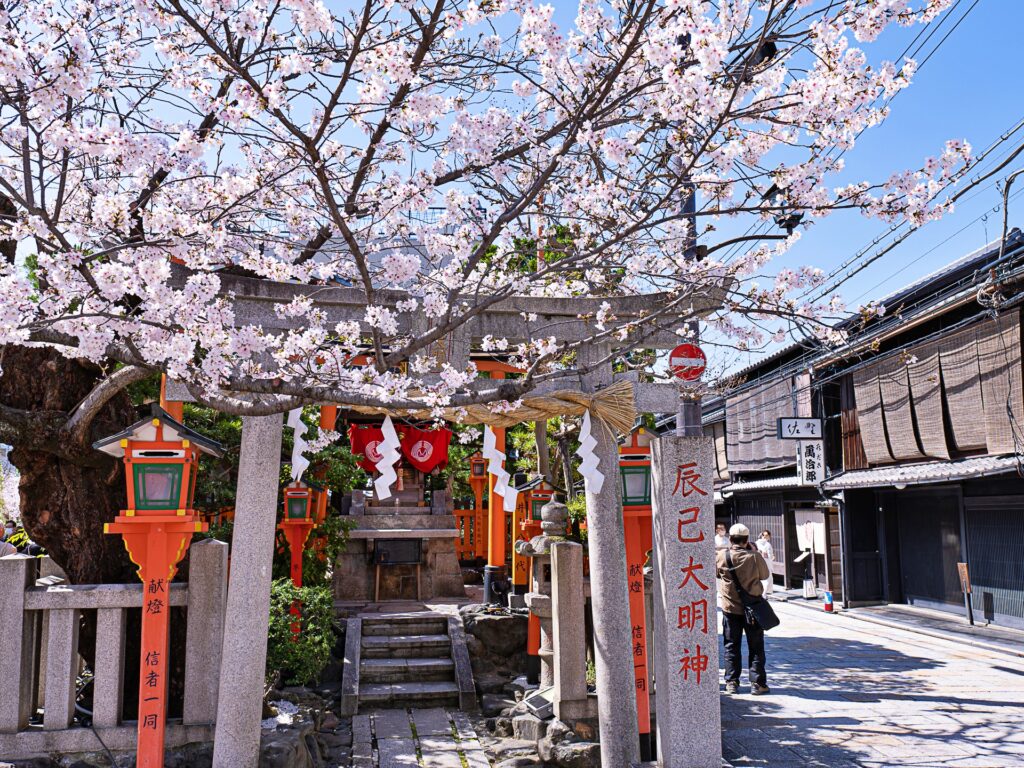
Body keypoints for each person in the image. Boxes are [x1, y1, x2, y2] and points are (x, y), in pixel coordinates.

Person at [717, 523, 771, 695]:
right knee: (756, 646)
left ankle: (732, 682)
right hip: (752, 608)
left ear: (730, 539)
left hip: (730, 607)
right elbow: (765, 575)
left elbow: (717, 574)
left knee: (731, 645)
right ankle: (758, 684)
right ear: (747, 540)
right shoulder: (754, 556)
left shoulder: (721, 556)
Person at [754, 530, 775, 596]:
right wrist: (771, 557)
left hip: (758, 563)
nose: (765, 537)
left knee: (760, 578)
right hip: (766, 563)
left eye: (766, 535)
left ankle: (760, 593)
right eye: (764, 535)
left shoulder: (756, 543)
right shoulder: (768, 544)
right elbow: (770, 556)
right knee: (767, 578)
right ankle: (763, 594)